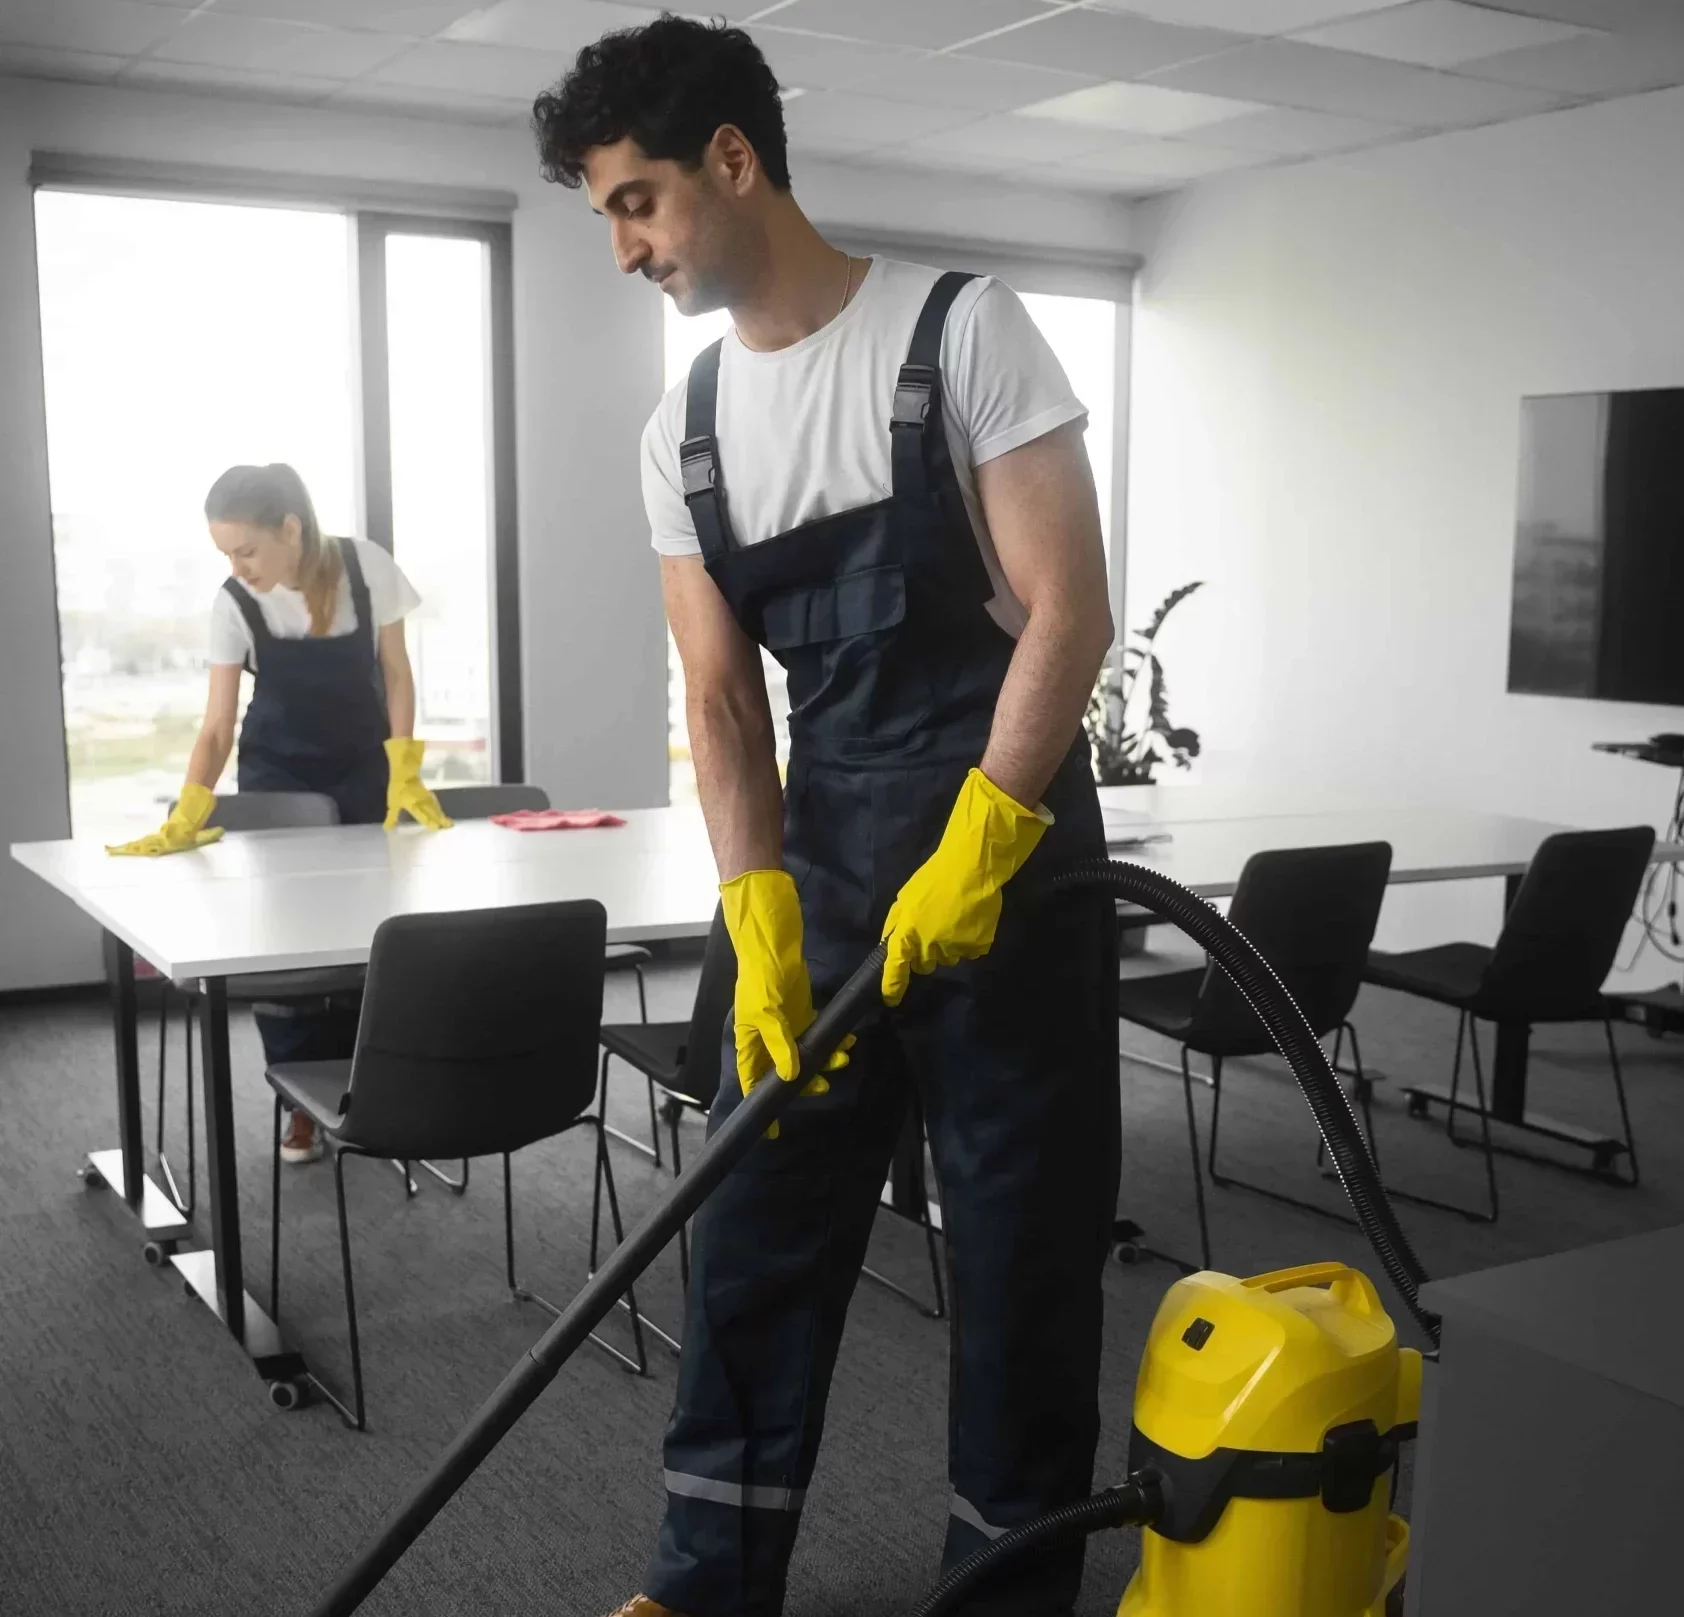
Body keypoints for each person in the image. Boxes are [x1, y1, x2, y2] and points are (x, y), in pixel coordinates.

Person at [535, 16, 1121, 1615]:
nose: (622, 247)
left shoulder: (966, 330)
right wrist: (760, 911)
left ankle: (1005, 1583)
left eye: (637, 201)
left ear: (733, 160)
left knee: (1016, 1252)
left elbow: (1069, 611)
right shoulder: (688, 432)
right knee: (758, 1229)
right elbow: (725, 704)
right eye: (605, 215)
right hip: (827, 859)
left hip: (1009, 856)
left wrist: (987, 838)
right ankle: (705, 1579)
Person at [108, 462, 452, 1162]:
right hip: (276, 776)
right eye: (225, 554)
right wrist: (191, 806)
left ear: (290, 529)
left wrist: (404, 766)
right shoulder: (234, 601)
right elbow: (216, 724)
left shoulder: (366, 569)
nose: (236, 566)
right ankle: (298, 1100)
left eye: (246, 549)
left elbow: (396, 673)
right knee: (283, 936)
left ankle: (365, 1086)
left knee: (368, 934)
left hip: (362, 772)